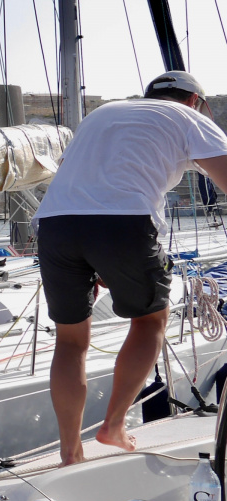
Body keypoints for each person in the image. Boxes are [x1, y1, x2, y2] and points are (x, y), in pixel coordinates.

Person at [37, 70, 227, 464]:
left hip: (54, 223)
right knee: (150, 322)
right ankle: (114, 426)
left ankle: (70, 451)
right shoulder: (189, 117)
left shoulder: (102, 115)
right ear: (194, 101)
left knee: (70, 342)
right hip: (123, 220)